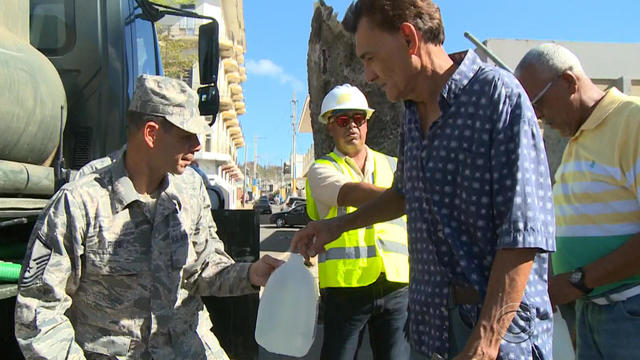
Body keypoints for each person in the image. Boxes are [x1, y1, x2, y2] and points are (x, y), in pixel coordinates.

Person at [292, 1, 556, 359]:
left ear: (408, 38)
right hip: (430, 331)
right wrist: (338, 226)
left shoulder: (497, 98)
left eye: (370, 57)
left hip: (495, 336)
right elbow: (404, 194)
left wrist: (486, 341)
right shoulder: (412, 116)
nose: (367, 74)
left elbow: (524, 233)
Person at [15, 74, 283, 359]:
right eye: (186, 135)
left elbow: (204, 267)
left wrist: (251, 274)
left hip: (189, 349)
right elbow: (39, 312)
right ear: (151, 133)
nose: (196, 145)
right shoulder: (81, 202)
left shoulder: (191, 190)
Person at [515, 43, 640, 359]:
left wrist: (578, 281)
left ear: (569, 81)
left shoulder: (632, 122)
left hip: (628, 309)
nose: (538, 115)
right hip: (590, 311)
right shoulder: (577, 140)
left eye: (538, 102)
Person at [306, 84, 410, 359]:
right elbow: (350, 193)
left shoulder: (394, 165)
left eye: (358, 119)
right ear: (329, 126)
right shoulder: (322, 169)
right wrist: (405, 197)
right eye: (342, 120)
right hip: (346, 290)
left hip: (397, 285)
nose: (351, 126)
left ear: (366, 124)